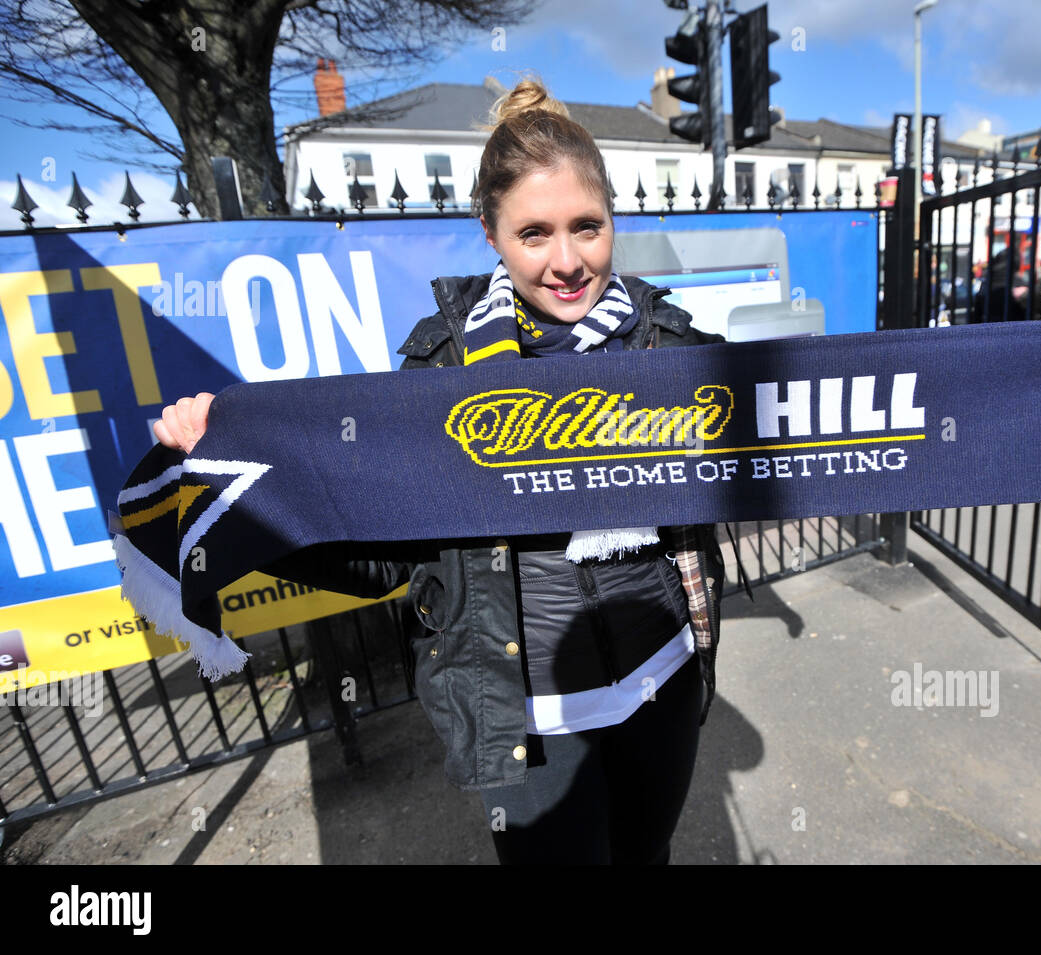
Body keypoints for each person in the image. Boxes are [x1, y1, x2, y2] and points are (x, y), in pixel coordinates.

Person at [153, 77, 728, 865]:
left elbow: (782, 442)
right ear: (490, 233)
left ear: (612, 222)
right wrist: (242, 481)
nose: (568, 261)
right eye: (534, 234)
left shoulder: (672, 343)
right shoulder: (441, 366)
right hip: (528, 717)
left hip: (664, 679)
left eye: (587, 227)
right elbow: (386, 548)